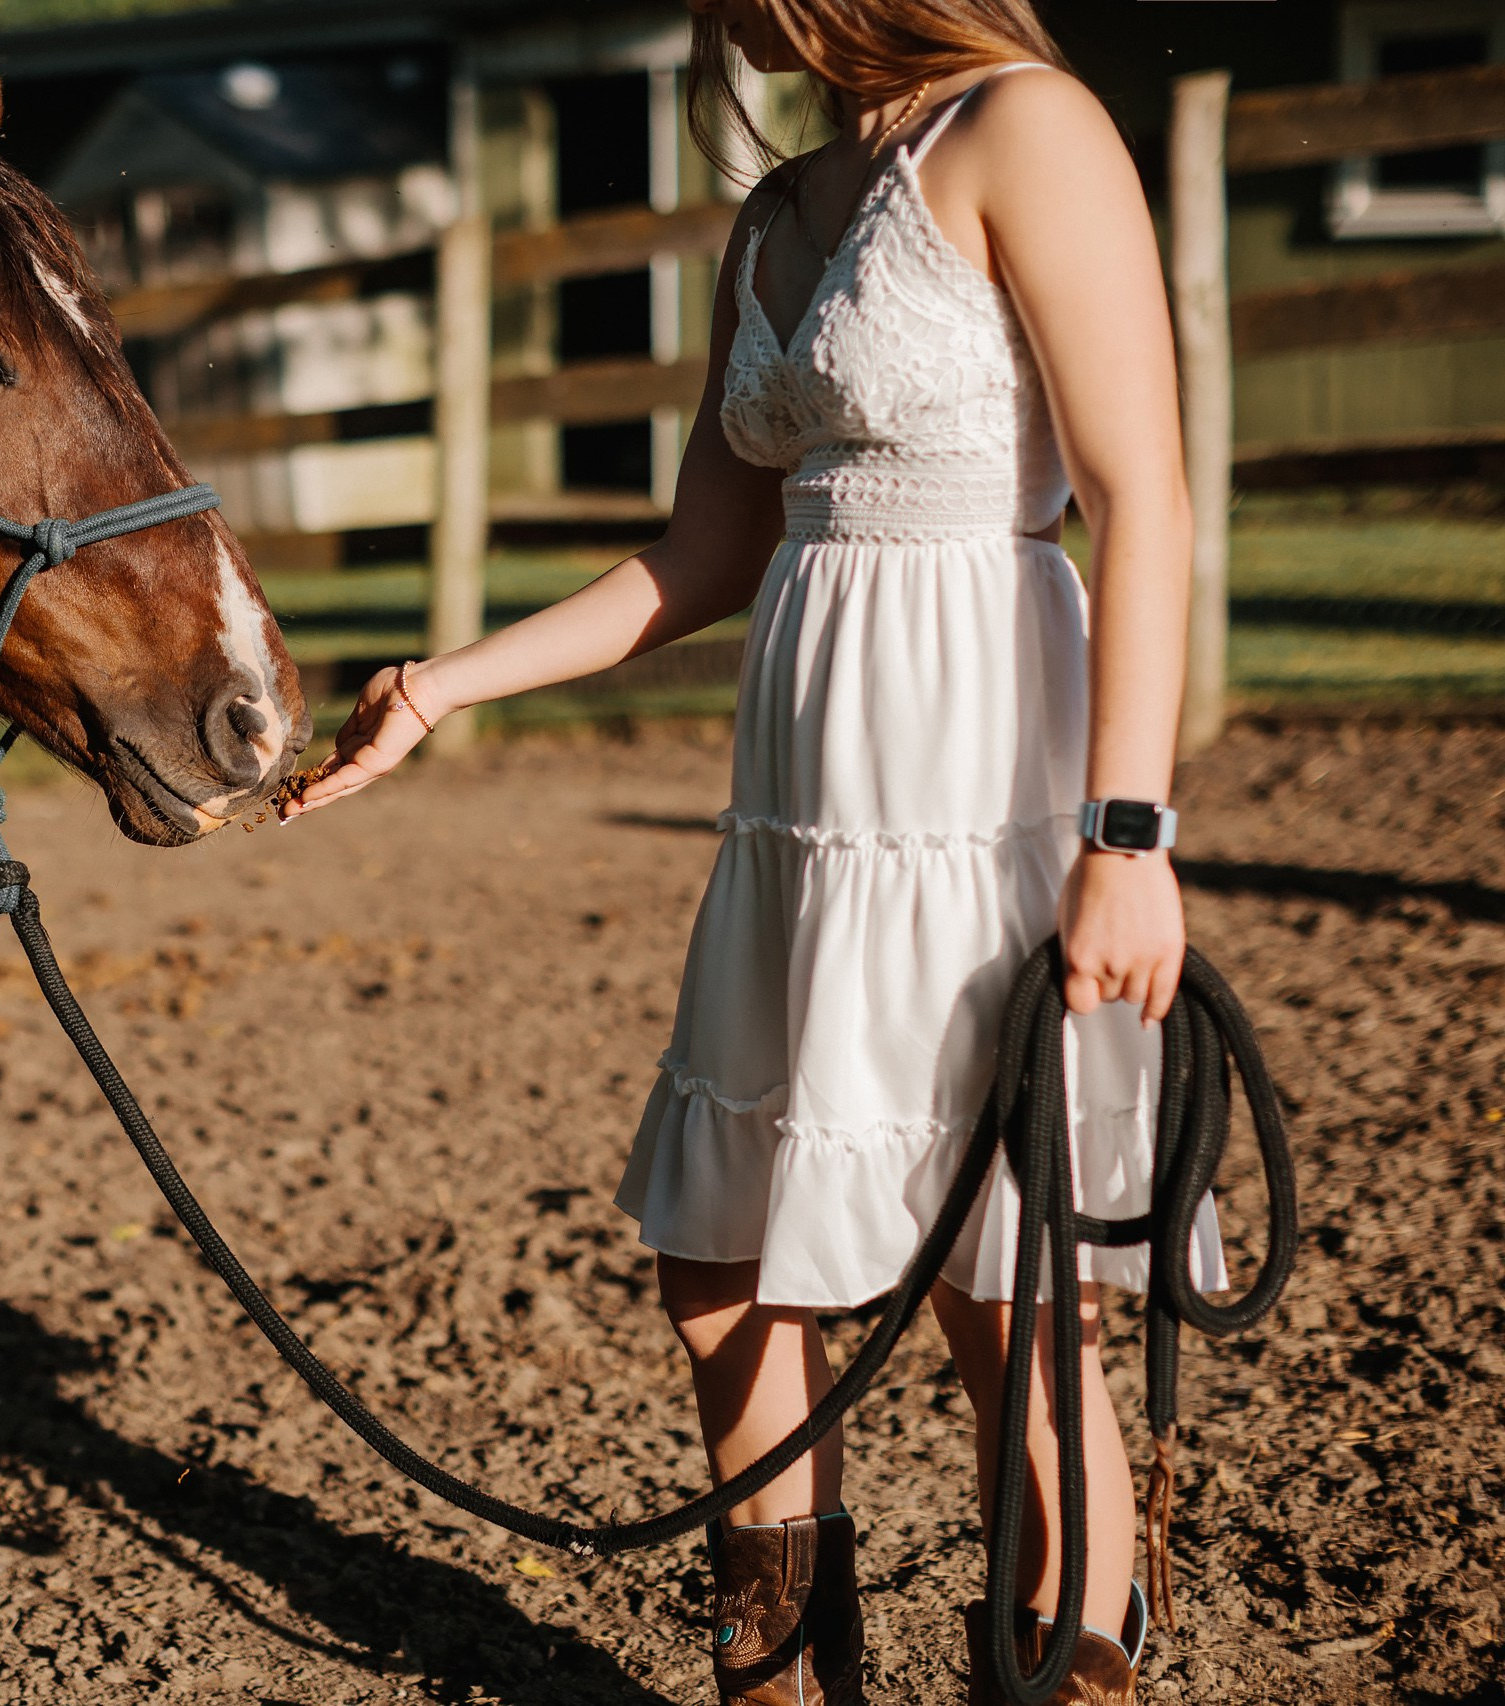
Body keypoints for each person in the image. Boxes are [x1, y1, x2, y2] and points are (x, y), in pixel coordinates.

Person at [284, 2, 1229, 1701]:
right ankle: (779, 1673)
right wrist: (443, 686)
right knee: (720, 1254)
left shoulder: (1030, 129)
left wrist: (1129, 836)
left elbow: (1143, 497)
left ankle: (1078, 1650)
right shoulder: (777, 206)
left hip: (975, 778)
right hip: (800, 809)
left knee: (989, 1264)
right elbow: (696, 555)